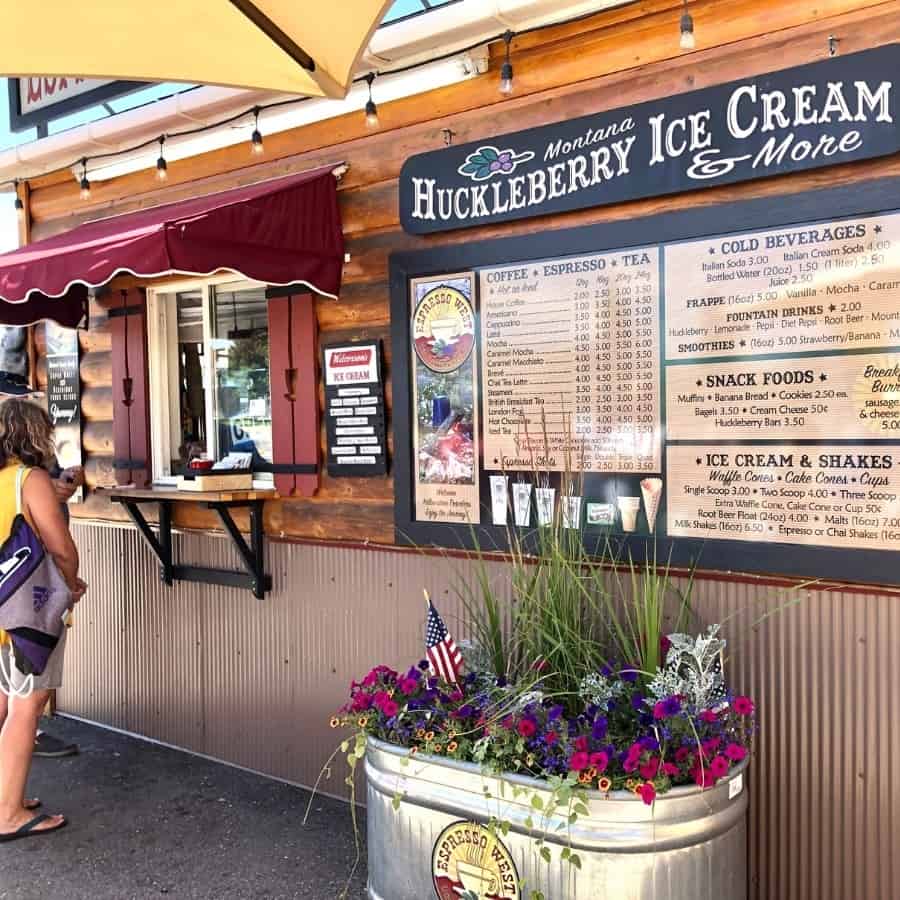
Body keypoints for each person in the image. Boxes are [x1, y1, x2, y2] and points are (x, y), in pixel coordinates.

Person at [0, 399, 86, 840]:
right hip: (27, 609)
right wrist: (70, 585)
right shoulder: (29, 479)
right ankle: (7, 813)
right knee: (27, 705)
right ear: (36, 435)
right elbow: (60, 546)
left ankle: (3, 795)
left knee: (4, 700)